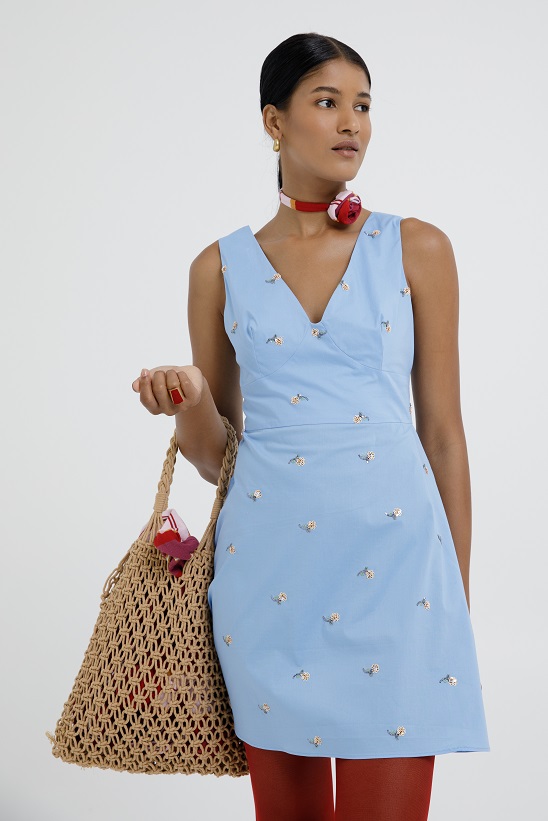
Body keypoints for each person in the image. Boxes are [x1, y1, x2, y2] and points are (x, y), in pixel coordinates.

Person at [131, 32, 490, 821]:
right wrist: (189, 398)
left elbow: (443, 432)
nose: (351, 122)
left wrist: (453, 598)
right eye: (327, 102)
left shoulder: (418, 248)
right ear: (274, 120)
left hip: (401, 582)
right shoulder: (218, 267)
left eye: (362, 105)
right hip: (270, 583)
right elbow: (217, 456)